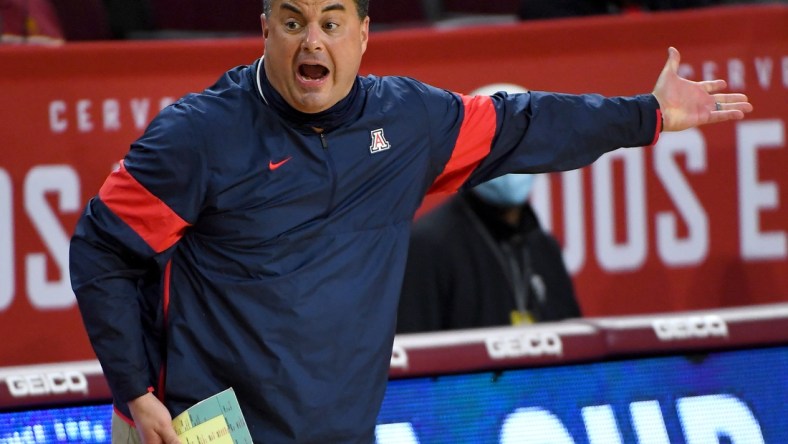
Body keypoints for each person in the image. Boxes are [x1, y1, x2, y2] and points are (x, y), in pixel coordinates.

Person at [68, 0, 752, 442]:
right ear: (265, 28)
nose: (314, 41)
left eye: (332, 22)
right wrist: (135, 391)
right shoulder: (199, 137)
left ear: (363, 36)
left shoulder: (407, 124)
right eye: (294, 20)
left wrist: (648, 114)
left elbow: (524, 123)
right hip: (195, 432)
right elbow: (102, 249)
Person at [397, 173, 581, 333]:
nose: (510, 165)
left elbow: (577, 355)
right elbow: (415, 359)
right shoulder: (426, 247)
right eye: (500, 147)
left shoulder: (544, 248)